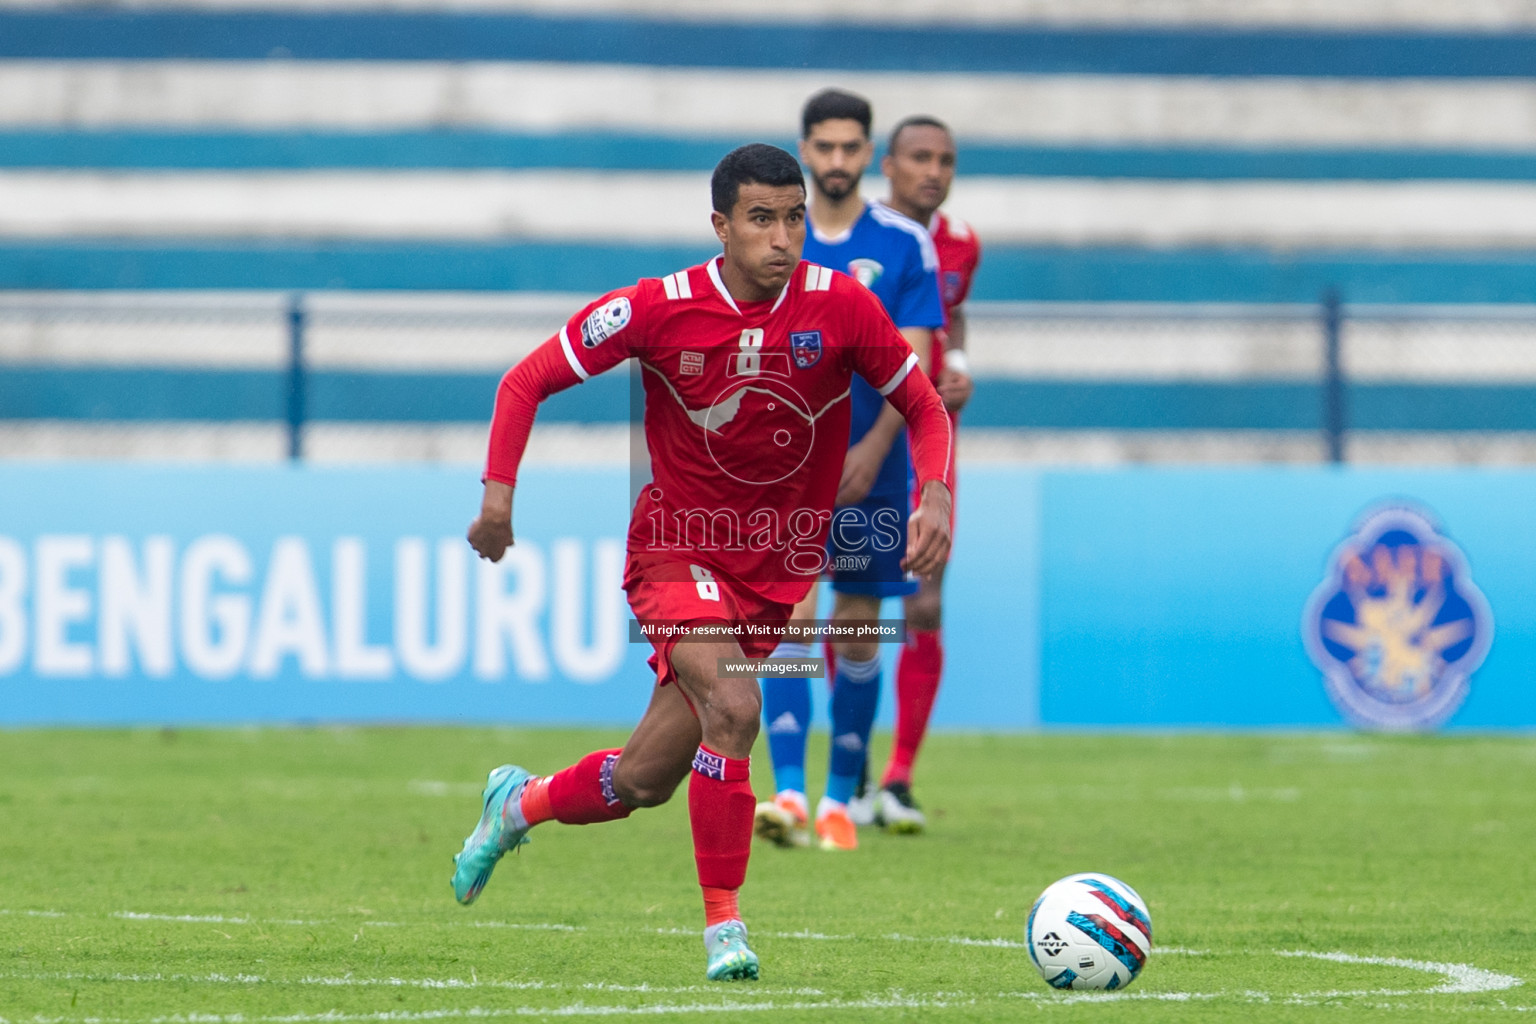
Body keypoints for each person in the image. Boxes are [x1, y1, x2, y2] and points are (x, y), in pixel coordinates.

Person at [450, 142, 954, 982]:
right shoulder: (660, 307)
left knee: (642, 781)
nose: (784, 237)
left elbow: (924, 404)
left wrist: (934, 492)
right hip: (675, 551)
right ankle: (726, 928)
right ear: (720, 226)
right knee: (734, 701)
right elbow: (525, 378)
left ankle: (518, 804)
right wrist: (498, 497)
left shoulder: (842, 307)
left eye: (794, 218)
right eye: (762, 219)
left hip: (772, 572)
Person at [754, 89, 944, 853]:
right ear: (805, 149)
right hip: (788, 473)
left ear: (870, 154)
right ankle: (792, 793)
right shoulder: (774, 238)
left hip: (878, 467)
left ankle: (841, 802)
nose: (836, 161)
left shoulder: (904, 244)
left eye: (849, 148)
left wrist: (870, 450)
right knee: (790, 624)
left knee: (858, 633)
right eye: (823, 147)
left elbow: (916, 364)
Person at [870, 115, 981, 833]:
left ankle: (899, 777)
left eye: (944, 160)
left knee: (925, 604)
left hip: (929, 445)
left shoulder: (962, 243)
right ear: (889, 164)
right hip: (859, 441)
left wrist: (961, 366)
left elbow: (954, 316)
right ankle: (830, 774)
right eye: (919, 158)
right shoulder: (863, 238)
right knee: (849, 605)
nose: (932, 172)